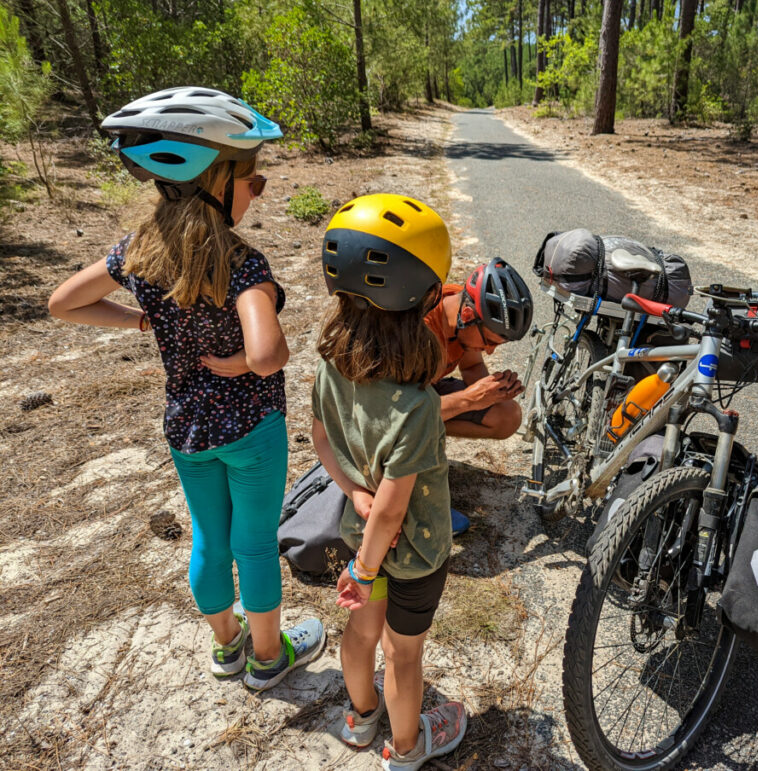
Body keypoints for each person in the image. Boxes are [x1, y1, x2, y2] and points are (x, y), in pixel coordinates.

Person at [48, 87, 323, 691]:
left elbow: (64, 302)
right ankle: (269, 658)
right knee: (253, 542)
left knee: (207, 537)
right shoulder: (242, 263)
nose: (258, 192)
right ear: (218, 180)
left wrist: (140, 318)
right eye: (255, 180)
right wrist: (250, 361)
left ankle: (227, 647)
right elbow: (269, 354)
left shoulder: (139, 252)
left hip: (188, 430)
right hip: (251, 429)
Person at [311, 193, 467, 769]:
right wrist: (366, 566)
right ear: (425, 301)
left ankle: (359, 718)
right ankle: (406, 748)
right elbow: (395, 510)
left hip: (359, 534)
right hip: (412, 553)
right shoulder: (417, 404)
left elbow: (322, 439)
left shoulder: (329, 368)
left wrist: (353, 490)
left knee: (360, 631)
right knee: (403, 654)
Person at [423, 258, 534, 441]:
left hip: (425, 393)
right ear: (467, 316)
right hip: (396, 408)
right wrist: (470, 399)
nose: (489, 351)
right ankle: (416, 435)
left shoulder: (462, 310)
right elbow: (405, 413)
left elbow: (471, 367)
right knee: (412, 422)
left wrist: (492, 392)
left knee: (508, 415)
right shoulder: (420, 329)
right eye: (489, 341)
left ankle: (427, 431)